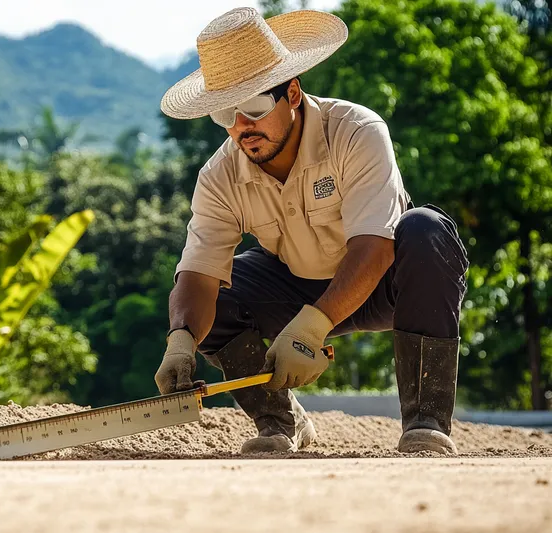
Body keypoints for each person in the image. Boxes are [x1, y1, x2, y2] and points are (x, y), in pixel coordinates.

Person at [155, 7, 469, 455]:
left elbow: (376, 245)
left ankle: (426, 422)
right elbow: (199, 273)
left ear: (294, 93)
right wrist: (181, 340)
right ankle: (281, 422)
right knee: (220, 291)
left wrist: (313, 327)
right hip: (293, 287)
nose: (242, 126)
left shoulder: (357, 131)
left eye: (256, 107)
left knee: (426, 229)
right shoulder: (218, 175)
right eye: (227, 112)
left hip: (385, 282)